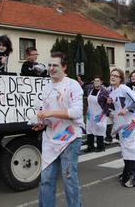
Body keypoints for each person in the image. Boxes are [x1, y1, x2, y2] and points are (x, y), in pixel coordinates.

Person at [32, 52, 84, 207]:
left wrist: (50, 113)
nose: (51, 68)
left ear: (64, 67)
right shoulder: (46, 87)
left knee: (69, 178)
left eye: (55, 65)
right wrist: (43, 122)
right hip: (50, 138)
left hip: (70, 137)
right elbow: (45, 113)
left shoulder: (72, 85)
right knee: (46, 178)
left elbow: (76, 112)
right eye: (49, 65)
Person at [107, 68, 135, 188]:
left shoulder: (124, 88)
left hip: (130, 122)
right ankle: (126, 174)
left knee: (129, 148)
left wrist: (126, 109)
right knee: (125, 148)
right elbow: (114, 108)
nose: (113, 77)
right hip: (121, 123)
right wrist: (109, 102)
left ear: (120, 78)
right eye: (111, 75)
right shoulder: (111, 91)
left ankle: (132, 179)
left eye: (116, 76)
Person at [78, 75, 109, 152]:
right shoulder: (90, 88)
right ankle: (90, 147)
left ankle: (100, 147)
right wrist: (80, 81)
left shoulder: (104, 91)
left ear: (101, 82)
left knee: (100, 129)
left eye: (98, 81)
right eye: (95, 81)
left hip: (100, 114)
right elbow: (83, 86)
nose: (96, 82)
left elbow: (109, 102)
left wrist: (108, 103)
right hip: (90, 113)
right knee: (89, 129)